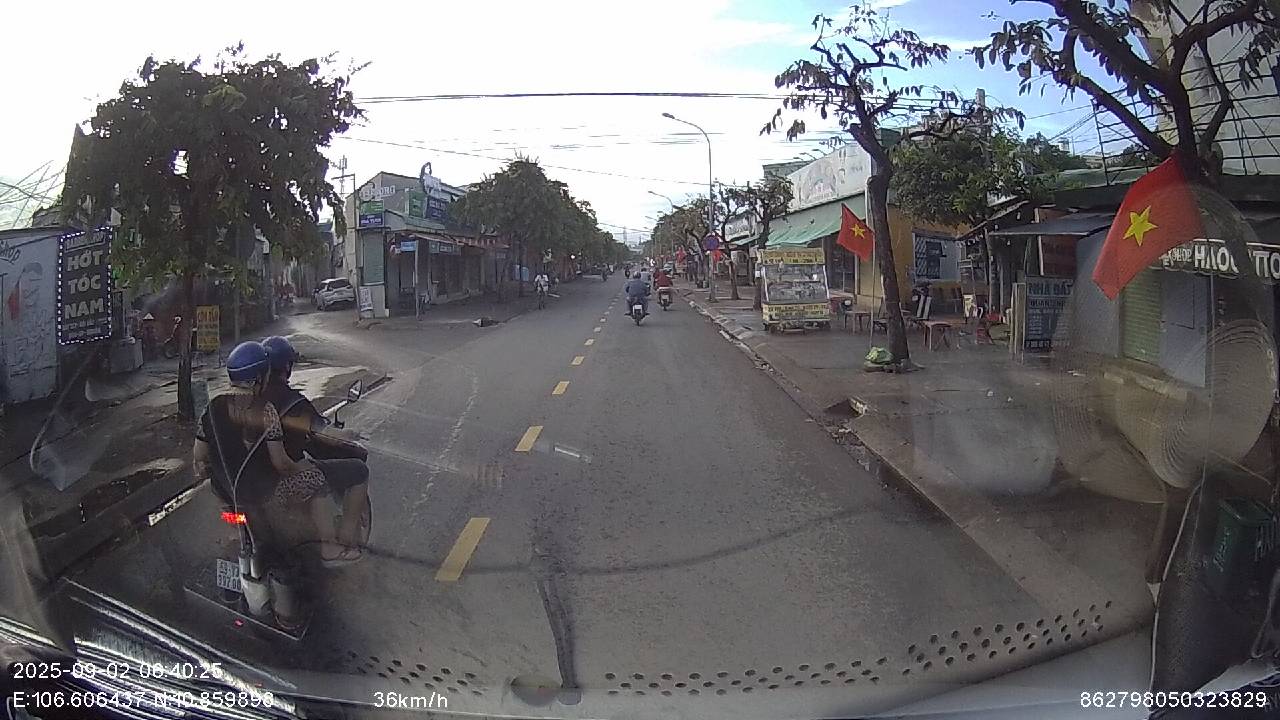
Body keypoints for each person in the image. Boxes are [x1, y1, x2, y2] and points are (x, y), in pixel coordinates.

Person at [192, 341, 359, 566]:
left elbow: (199, 457)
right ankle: (329, 548)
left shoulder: (212, 408)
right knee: (317, 480)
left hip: (227, 494)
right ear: (260, 377)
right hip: (264, 495)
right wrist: (305, 467)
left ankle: (239, 539)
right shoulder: (265, 410)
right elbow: (281, 464)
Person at [261, 336, 370, 551]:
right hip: (285, 475)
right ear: (287, 366)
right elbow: (324, 434)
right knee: (359, 471)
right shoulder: (293, 402)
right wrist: (349, 434)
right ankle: (343, 541)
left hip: (256, 479)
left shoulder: (253, 399)